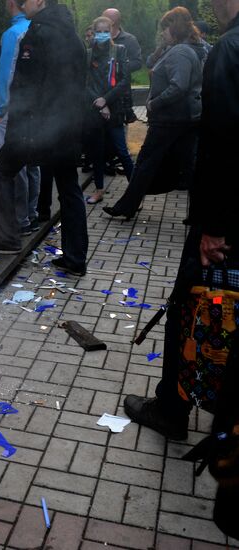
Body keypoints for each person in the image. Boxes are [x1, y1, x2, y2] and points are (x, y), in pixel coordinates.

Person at [123, 0, 239, 441]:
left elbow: (224, 143)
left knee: (190, 306)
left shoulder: (229, 49)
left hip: (226, 218)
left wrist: (212, 224)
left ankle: (172, 409)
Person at [0, 0, 88, 278]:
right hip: (67, 126)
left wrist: (15, 128)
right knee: (69, 188)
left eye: (25, 0)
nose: (21, 4)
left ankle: (7, 237)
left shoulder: (38, 32)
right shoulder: (72, 35)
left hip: (37, 126)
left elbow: (25, 86)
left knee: (2, 171)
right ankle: (75, 257)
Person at [103, 7, 204, 220]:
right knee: (189, 167)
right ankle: (199, 214)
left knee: (146, 163)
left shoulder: (181, 52)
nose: (162, 33)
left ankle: (126, 206)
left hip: (170, 119)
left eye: (165, 28)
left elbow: (179, 86)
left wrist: (154, 104)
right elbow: (152, 64)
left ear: (174, 29)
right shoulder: (179, 49)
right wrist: (161, 48)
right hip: (182, 118)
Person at [0, 0, 40, 236]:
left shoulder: (13, 33)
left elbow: (6, 73)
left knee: (12, 166)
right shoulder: (35, 28)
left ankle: (18, 219)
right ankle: (30, 214)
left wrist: (0, 107)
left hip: (13, 109)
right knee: (32, 163)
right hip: (32, 108)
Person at [84, 16, 134, 205]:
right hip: (95, 109)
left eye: (106, 31)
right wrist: (100, 102)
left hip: (114, 109)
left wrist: (107, 99)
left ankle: (134, 193)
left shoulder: (119, 51)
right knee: (97, 153)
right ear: (94, 32)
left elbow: (124, 81)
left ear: (112, 30)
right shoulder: (88, 54)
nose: (103, 35)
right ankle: (99, 190)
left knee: (122, 151)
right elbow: (85, 82)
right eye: (99, 31)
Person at [102, 8, 142, 124]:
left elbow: (137, 63)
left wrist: (116, 67)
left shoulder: (129, 40)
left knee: (118, 134)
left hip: (120, 96)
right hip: (100, 94)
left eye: (103, 17)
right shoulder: (98, 39)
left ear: (112, 22)